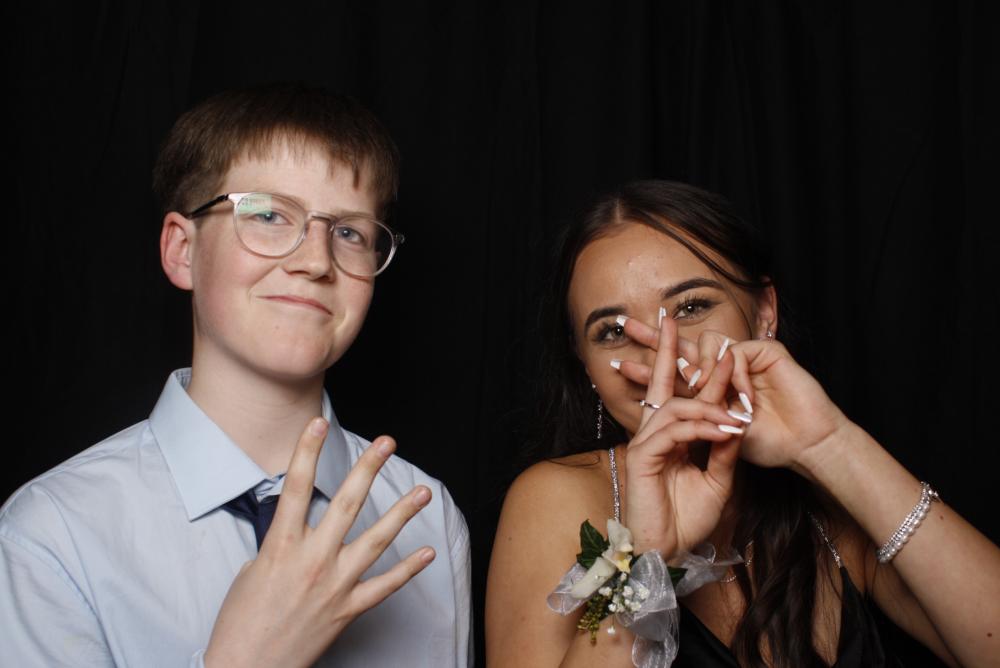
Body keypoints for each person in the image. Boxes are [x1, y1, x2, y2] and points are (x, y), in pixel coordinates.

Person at [0, 83, 471, 667]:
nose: (316, 261)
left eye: (349, 232)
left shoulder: (428, 520)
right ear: (182, 250)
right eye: (268, 214)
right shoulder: (50, 536)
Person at [485, 180, 1000, 667]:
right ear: (585, 365)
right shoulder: (554, 498)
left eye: (691, 306)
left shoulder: (828, 512)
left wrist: (831, 445)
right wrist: (644, 561)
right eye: (613, 332)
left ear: (764, 313)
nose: (662, 353)